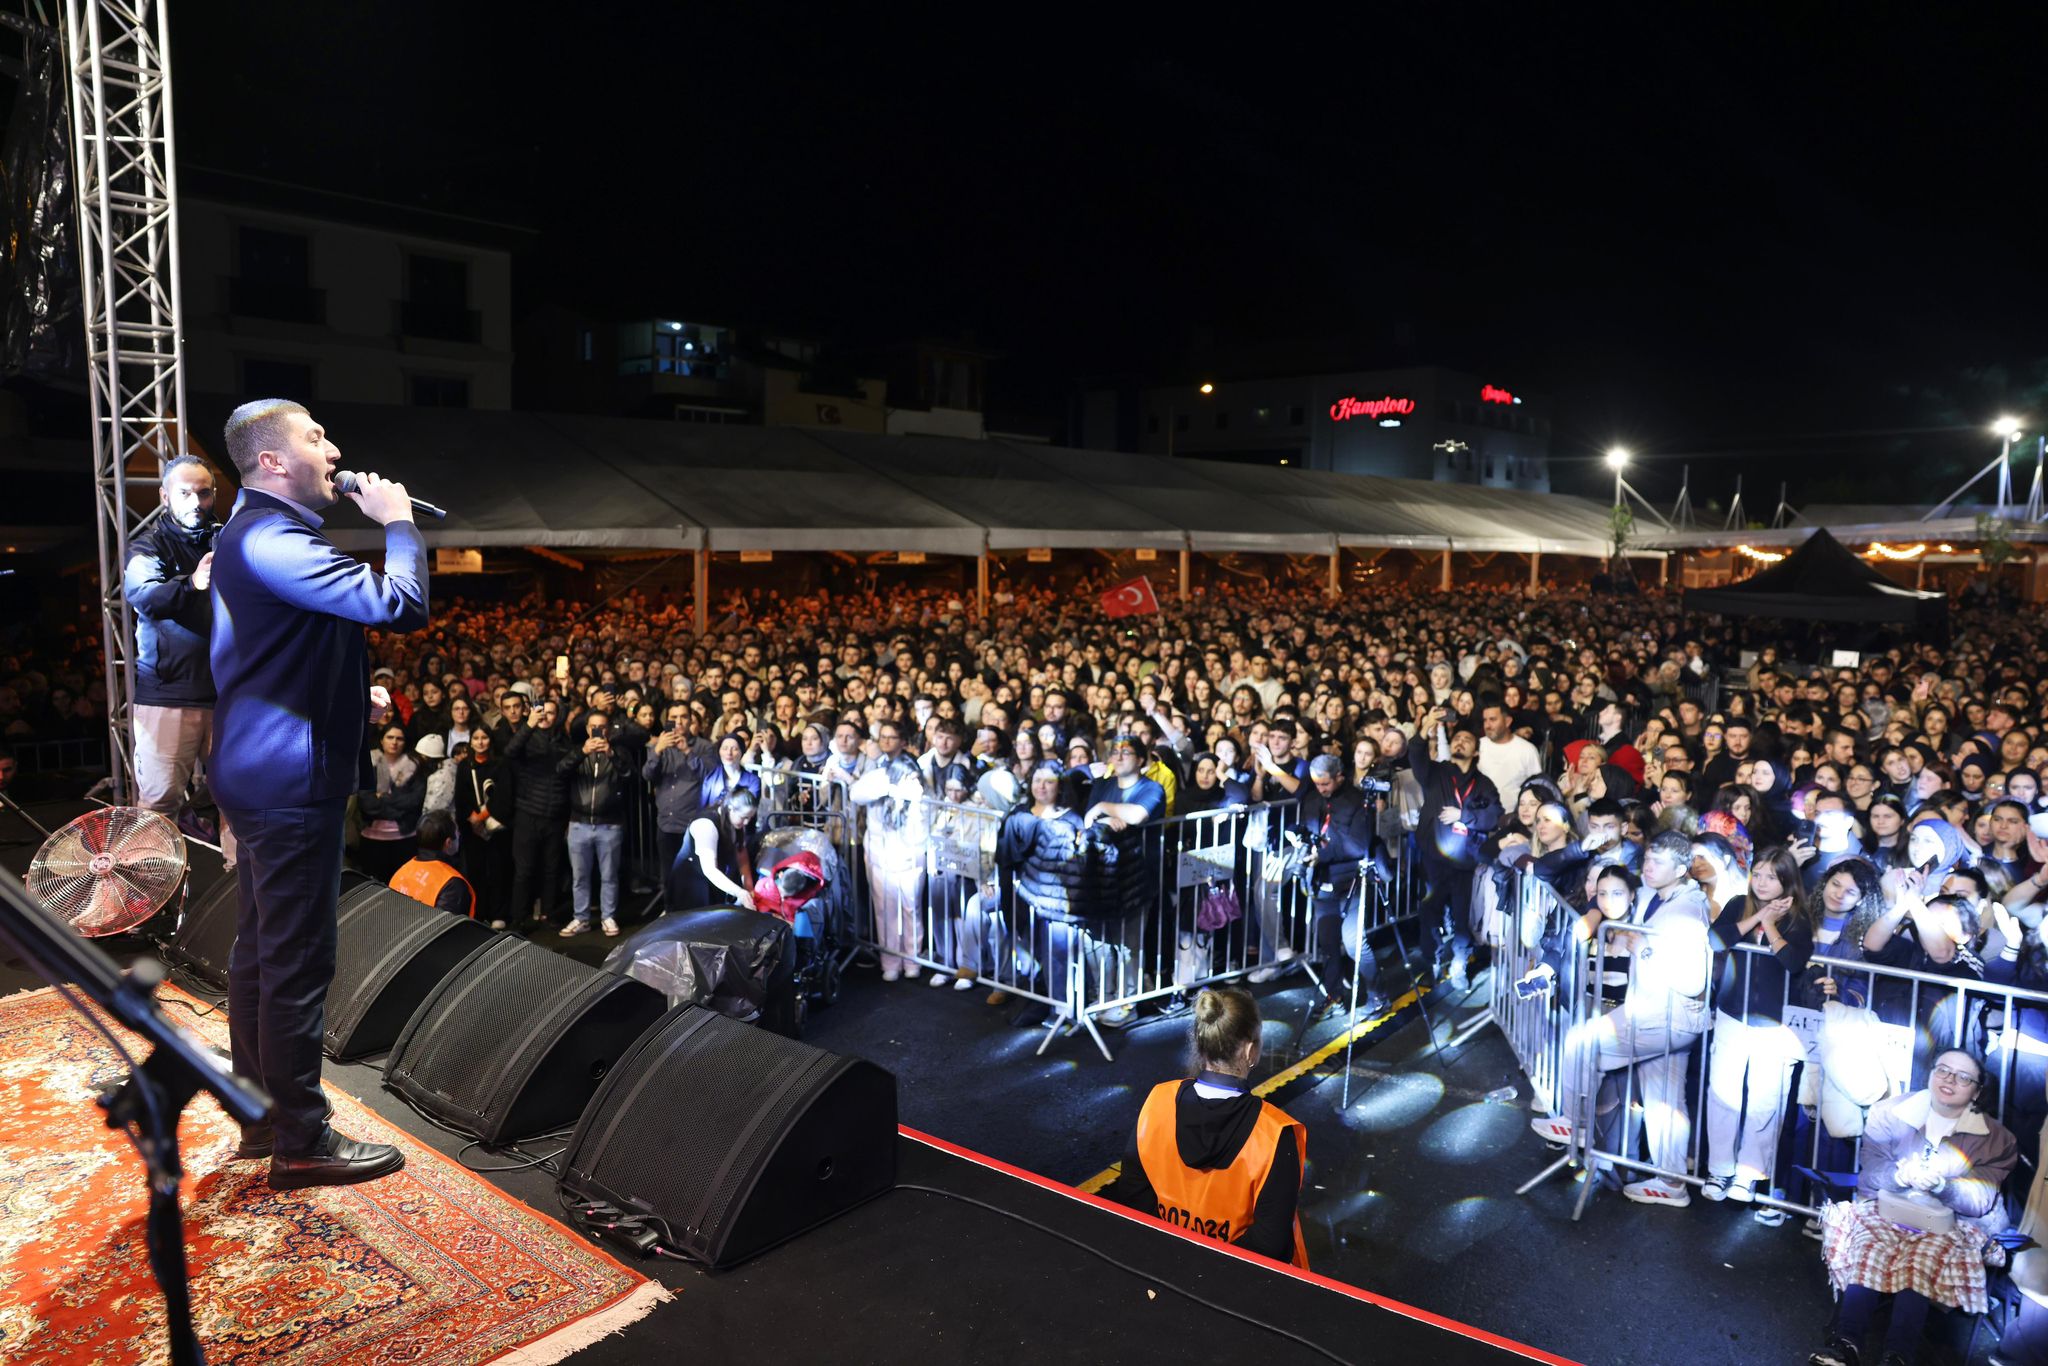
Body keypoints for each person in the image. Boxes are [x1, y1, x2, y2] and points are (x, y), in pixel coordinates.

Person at [208, 397, 425, 1189]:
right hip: (288, 781)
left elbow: (283, 645)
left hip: (258, 765)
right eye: (315, 436)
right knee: (294, 964)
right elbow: (399, 603)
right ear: (271, 461)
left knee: (261, 959)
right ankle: (303, 1141)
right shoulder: (272, 535)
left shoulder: (255, 534)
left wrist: (347, 688)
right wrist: (398, 523)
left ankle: (263, 1116)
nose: (333, 448)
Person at [1809, 1050, 2018, 1366]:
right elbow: (1870, 1174)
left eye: (1963, 1077)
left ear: (1976, 1092)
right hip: (1887, 1208)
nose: (1950, 1080)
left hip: (1948, 1222)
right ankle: (1844, 1345)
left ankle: (1897, 1357)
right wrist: (1898, 1175)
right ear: (1931, 1072)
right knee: (1870, 1249)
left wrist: (1942, 1187)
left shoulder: (1997, 1139)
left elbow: (1980, 1199)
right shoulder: (1890, 1112)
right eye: (1943, 1070)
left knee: (1920, 1261)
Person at [1106, 986, 1308, 1268]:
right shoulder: (1275, 1134)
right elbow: (1270, 1243)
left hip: (1161, 1264)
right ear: (1250, 1051)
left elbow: (1132, 1192)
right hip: (1234, 1288)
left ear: (1201, 1044)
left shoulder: (1158, 1102)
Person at [121, 454, 225, 842]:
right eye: (184, 493)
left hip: (227, 694)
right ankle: (147, 896)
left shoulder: (227, 537)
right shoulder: (147, 546)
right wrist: (193, 582)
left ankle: (244, 892)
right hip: (169, 696)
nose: (196, 503)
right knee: (160, 801)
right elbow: (143, 596)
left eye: (203, 493)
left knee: (237, 798)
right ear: (164, 496)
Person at [559, 709, 632, 937]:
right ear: (587, 728)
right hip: (579, 823)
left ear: (608, 729)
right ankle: (581, 918)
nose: (597, 731)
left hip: (609, 825)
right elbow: (560, 771)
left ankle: (608, 916)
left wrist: (611, 754)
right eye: (593, 726)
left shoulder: (618, 752)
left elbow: (630, 775)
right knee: (580, 876)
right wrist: (582, 752)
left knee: (609, 875)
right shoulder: (577, 751)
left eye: (601, 726)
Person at [453, 723, 512, 928]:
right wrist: (472, 818)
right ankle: (479, 912)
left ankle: (499, 914)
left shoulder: (501, 764)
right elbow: (460, 796)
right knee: (476, 871)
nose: (480, 742)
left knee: (498, 871)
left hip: (496, 826)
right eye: (476, 738)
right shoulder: (464, 765)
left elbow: (505, 794)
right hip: (472, 829)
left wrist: (484, 814)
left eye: (484, 738)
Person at [669, 788, 761, 912]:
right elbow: (710, 870)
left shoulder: (736, 822)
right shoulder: (706, 825)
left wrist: (749, 888)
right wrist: (739, 892)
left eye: (750, 818)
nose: (747, 822)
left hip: (712, 879)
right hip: (691, 882)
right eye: (744, 817)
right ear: (731, 809)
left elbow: (741, 854)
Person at [390, 810, 476, 918]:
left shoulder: (401, 872)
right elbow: (449, 931)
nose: (459, 835)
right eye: (457, 832)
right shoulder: (451, 883)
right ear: (448, 843)